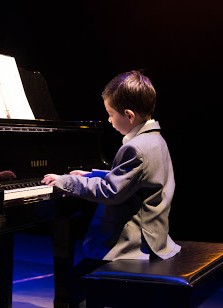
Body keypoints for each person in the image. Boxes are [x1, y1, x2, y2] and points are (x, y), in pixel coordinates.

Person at [42, 71, 181, 292]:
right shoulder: (155, 139)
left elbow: (110, 192)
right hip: (155, 236)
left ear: (128, 115)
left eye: (110, 114)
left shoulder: (135, 148)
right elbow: (131, 179)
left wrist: (65, 181)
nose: (109, 119)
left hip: (133, 246)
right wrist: (91, 175)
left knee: (70, 286)